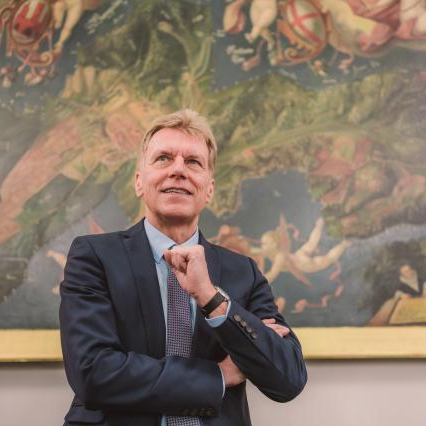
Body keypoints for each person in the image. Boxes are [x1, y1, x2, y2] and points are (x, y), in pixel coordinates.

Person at [59, 109, 307, 426]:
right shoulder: (94, 257)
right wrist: (219, 375)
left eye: (193, 162)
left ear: (209, 189)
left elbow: (288, 379)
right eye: (163, 158)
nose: (178, 170)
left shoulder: (243, 272)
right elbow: (94, 372)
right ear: (139, 182)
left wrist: (213, 300)